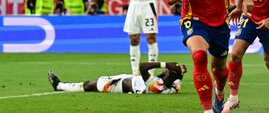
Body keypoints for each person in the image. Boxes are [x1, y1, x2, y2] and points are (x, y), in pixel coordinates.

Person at [48, 62, 186, 95]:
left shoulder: (156, 86)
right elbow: (174, 80)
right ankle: (60, 85)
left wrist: (165, 63)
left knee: (89, 85)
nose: (165, 71)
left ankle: (59, 86)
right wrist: (181, 71)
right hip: (128, 79)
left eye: (167, 71)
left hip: (119, 86)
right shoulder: (173, 85)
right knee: (90, 84)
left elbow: (142, 67)